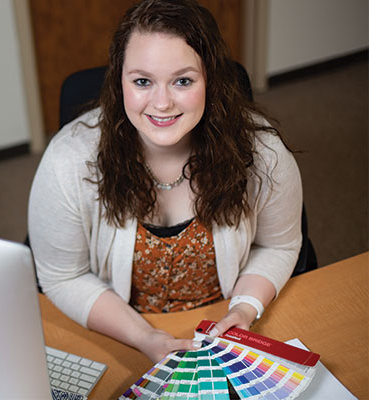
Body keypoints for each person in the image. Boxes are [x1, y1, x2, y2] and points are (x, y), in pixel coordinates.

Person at [28, 0, 302, 364]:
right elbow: (63, 277)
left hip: (226, 323)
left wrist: (244, 310)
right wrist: (143, 337)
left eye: (183, 81)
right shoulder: (68, 159)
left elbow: (280, 246)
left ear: (211, 80)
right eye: (143, 81)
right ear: (119, 81)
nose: (161, 103)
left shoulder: (263, 153)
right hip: (121, 331)